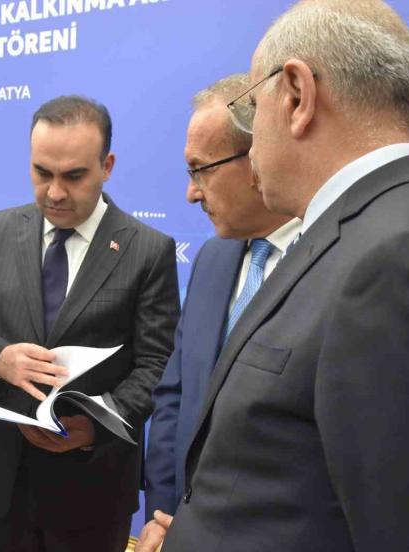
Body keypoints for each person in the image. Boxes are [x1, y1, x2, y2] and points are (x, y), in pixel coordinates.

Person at [158, 1, 409, 550]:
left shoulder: (407, 257)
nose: (253, 141)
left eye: (254, 109)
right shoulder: (358, 236)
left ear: (298, 97)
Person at [0, 95, 180, 552]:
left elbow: (158, 364)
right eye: (41, 173)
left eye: (73, 176)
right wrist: (0, 358)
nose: (54, 192)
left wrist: (97, 426)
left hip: (92, 489)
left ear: (106, 166)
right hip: (0, 481)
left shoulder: (148, 250)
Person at [138, 74, 298, 550]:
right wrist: (163, 518)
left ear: (257, 157)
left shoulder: (330, 265)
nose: (191, 193)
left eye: (200, 170)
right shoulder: (212, 257)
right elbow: (174, 397)